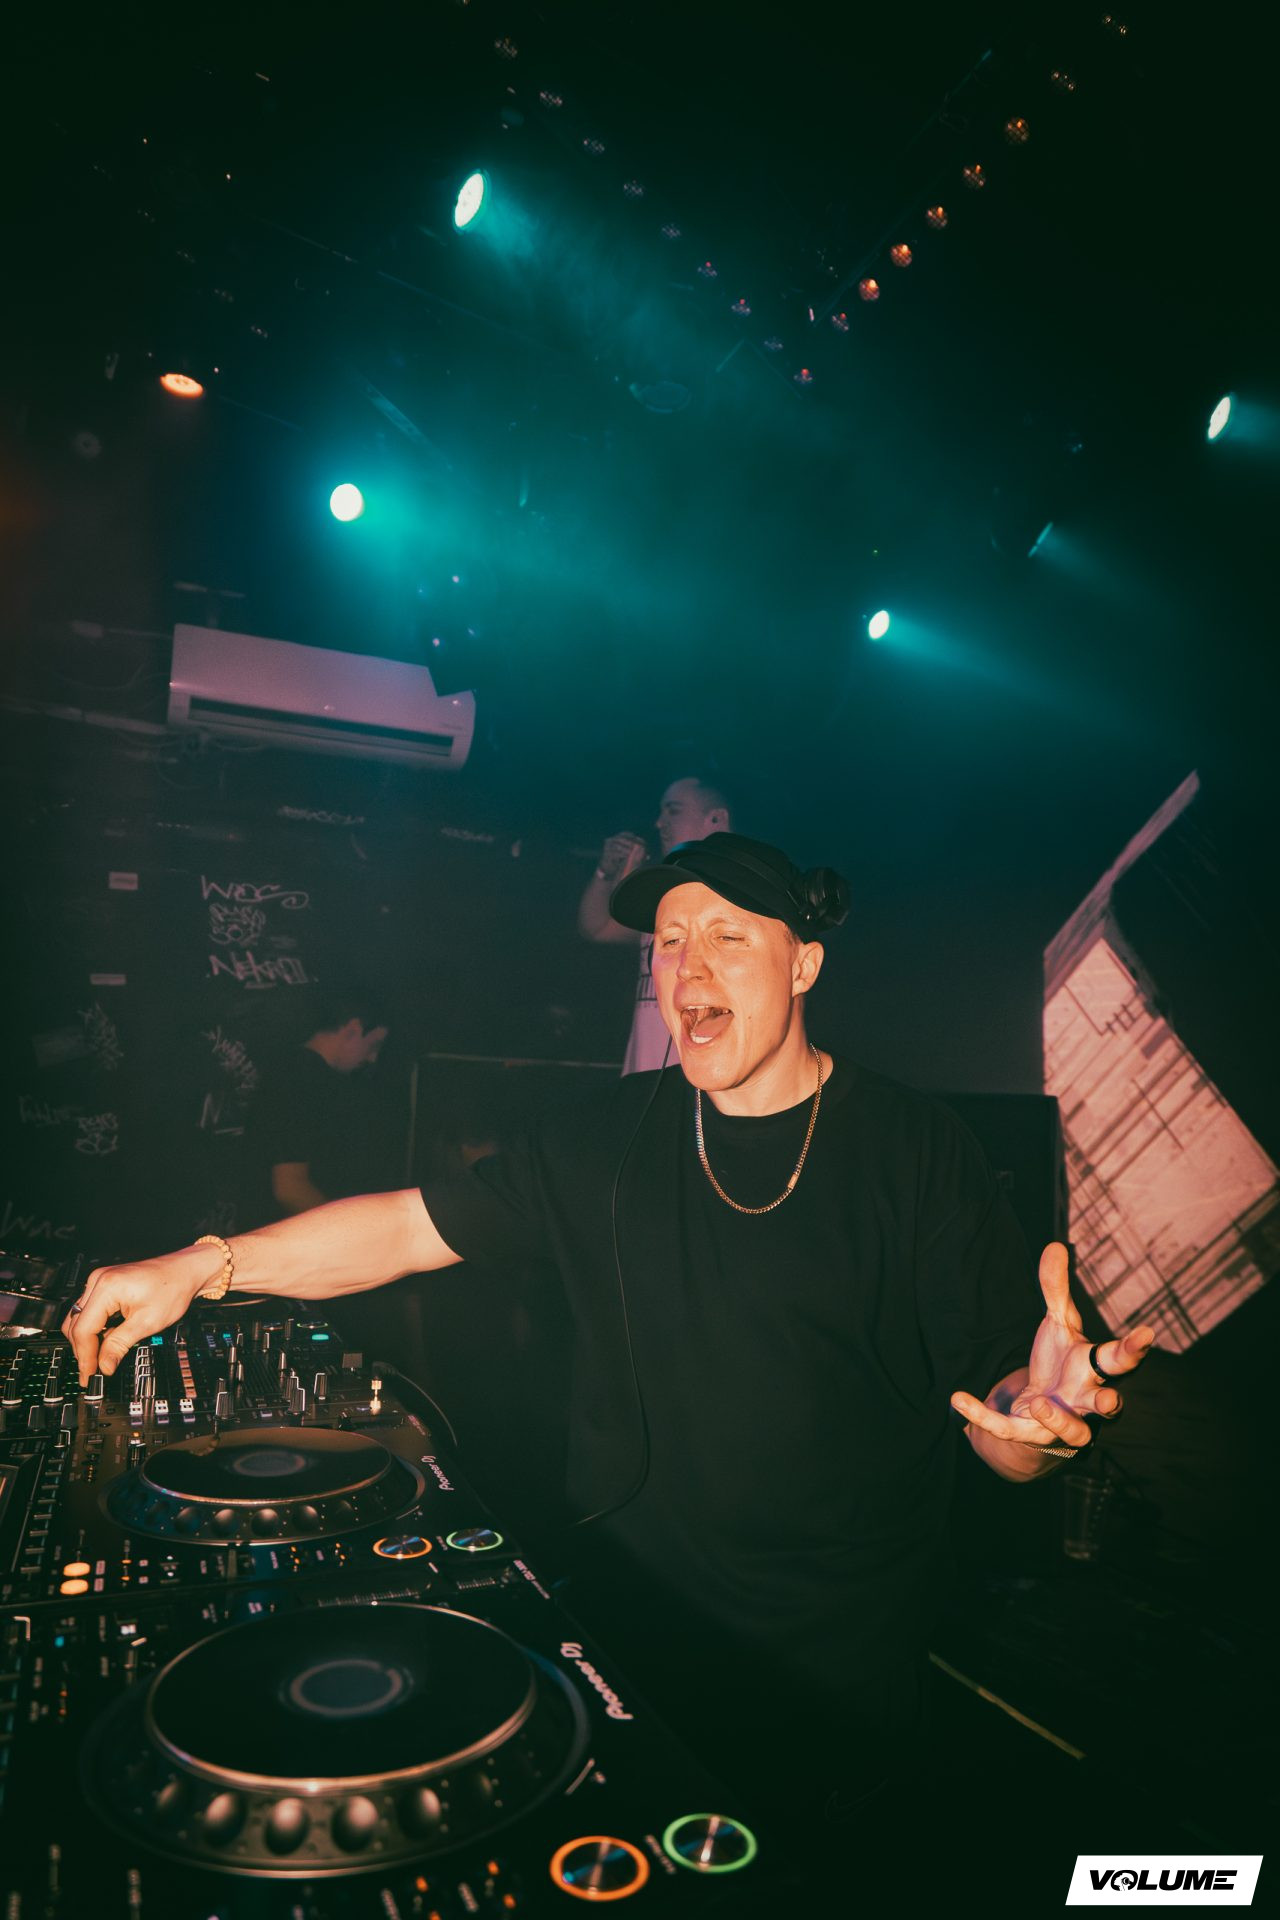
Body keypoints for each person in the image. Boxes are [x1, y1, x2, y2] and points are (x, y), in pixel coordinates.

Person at [63, 833, 1152, 1890]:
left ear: (804, 966)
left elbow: (999, 1404)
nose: (687, 968)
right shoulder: (601, 1134)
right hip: (624, 1622)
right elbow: (405, 1228)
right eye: (668, 943)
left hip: (831, 1648)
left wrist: (1034, 1429)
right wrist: (206, 1266)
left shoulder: (915, 1150)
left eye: (726, 936)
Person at [577, 772, 731, 1073]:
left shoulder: (733, 897)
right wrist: (607, 873)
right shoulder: (663, 892)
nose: (659, 823)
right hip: (643, 1075)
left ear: (716, 819)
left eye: (673, 811)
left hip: (697, 1079)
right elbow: (598, 929)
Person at [239, 989, 390, 1226]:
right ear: (353, 1028)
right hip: (285, 1235)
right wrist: (350, 1231)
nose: (373, 1058)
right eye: (374, 1045)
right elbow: (290, 1188)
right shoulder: (300, 1077)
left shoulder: (297, 1070)